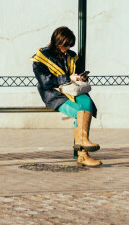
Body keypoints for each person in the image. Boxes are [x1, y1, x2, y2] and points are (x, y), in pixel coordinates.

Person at [31, 26, 102, 167]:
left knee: (86, 103)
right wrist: (67, 77)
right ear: (57, 42)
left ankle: (82, 146)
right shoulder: (41, 57)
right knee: (79, 113)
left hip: (72, 90)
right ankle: (83, 153)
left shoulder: (72, 55)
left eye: (70, 44)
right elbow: (45, 82)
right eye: (65, 44)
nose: (68, 47)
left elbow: (77, 73)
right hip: (54, 94)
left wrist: (80, 77)